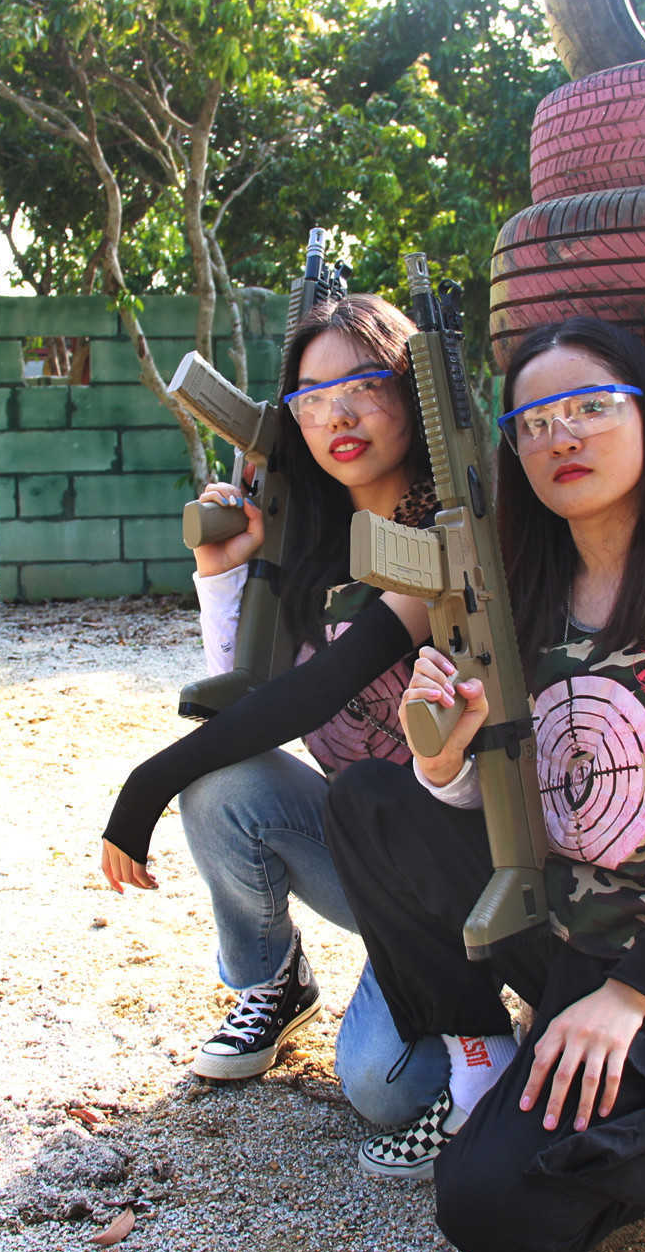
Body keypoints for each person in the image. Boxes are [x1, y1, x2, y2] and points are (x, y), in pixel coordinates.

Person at [323, 315, 645, 1252]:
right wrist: (443, 760)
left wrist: (627, 996)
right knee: (369, 801)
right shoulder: (519, 593)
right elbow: (508, 811)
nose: (562, 437)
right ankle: (486, 1066)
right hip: (574, 927)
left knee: (491, 1208)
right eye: (535, 422)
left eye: (590, 407)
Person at [97, 293, 449, 1124]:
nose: (339, 415)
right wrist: (226, 572)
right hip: (364, 849)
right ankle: (274, 982)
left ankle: (476, 1015)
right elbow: (247, 698)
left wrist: (145, 784)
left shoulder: (445, 533)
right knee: (222, 782)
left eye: (364, 385)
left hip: (452, 876)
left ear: (414, 390)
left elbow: (317, 692)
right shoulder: (313, 536)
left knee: (386, 1087)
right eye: (313, 397)